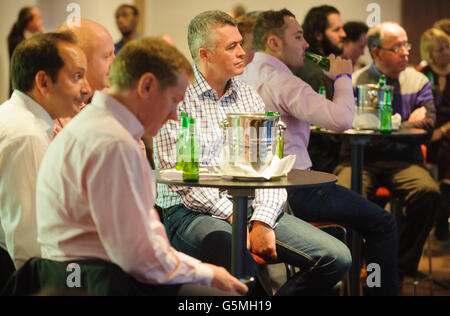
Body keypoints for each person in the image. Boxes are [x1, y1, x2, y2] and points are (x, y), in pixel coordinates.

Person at [155, 10, 351, 296]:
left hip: (250, 207)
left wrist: (262, 220)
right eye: (232, 46)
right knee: (235, 253)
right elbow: (184, 182)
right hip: (188, 213)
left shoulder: (248, 95)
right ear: (205, 54)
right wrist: (239, 218)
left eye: (241, 43)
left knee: (336, 257)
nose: (243, 52)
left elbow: (271, 169)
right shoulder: (176, 97)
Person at [35, 37, 247, 296]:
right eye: (173, 100)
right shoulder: (113, 141)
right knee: (232, 298)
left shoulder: (96, 124)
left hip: (76, 275)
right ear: (146, 85)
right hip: (94, 282)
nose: (174, 115)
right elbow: (139, 258)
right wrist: (207, 273)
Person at [239, 8, 398, 296]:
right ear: (274, 44)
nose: (307, 44)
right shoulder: (282, 81)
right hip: (294, 188)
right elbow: (340, 120)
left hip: (259, 188)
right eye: (298, 37)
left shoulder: (248, 73)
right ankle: (378, 290)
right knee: (381, 222)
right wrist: (343, 78)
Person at [334, 22, 441, 279]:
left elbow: (427, 127)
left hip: (404, 162)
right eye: (397, 47)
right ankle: (357, 262)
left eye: (407, 45)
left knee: (428, 193)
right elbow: (347, 125)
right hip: (360, 160)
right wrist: (404, 126)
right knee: (345, 194)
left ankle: (396, 265)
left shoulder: (418, 80)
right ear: (377, 52)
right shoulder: (354, 80)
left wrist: (380, 127)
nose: (405, 52)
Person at [0, 32, 90, 270]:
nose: (87, 89)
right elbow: (30, 250)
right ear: (43, 82)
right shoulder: (27, 135)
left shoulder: (17, 115)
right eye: (77, 77)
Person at [294, 5, 347, 174]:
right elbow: (334, 123)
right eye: (336, 30)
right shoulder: (314, 73)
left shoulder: (322, 67)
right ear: (318, 35)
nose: (343, 34)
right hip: (320, 166)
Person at [54, 19, 115, 135]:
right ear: (77, 58)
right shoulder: (53, 114)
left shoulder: (112, 99)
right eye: (107, 55)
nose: (115, 62)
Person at [418, 27, 450, 244]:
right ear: (430, 54)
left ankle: (441, 215)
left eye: (448, 46)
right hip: (427, 130)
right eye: (441, 49)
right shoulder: (422, 75)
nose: (447, 51)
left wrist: (443, 131)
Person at [7, 6, 44, 96]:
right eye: (38, 18)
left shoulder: (27, 36)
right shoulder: (16, 39)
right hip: (21, 87)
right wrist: (42, 37)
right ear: (29, 21)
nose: (41, 22)